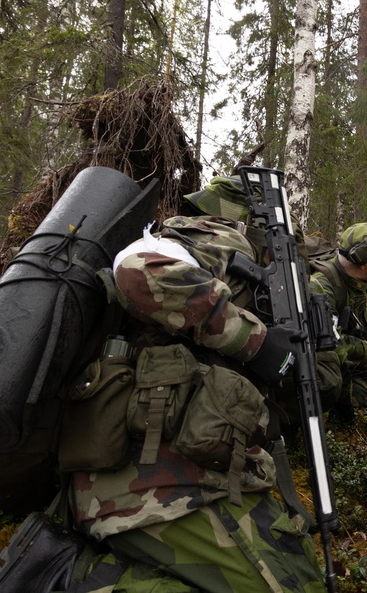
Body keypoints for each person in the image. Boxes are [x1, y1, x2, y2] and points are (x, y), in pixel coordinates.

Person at [65, 176, 333, 592]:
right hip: (153, 482)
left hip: (179, 473)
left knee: (300, 574)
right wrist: (258, 343)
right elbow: (139, 271)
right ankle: (66, 577)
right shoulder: (210, 236)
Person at [308, 223, 367, 424]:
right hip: (330, 368)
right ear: (362, 259)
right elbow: (328, 344)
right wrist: (362, 349)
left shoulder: (359, 275)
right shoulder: (321, 287)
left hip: (356, 363)